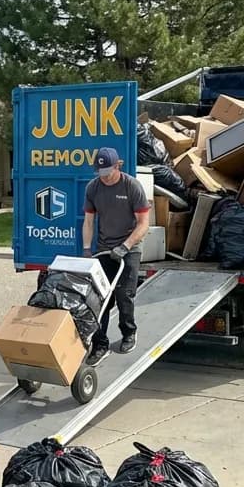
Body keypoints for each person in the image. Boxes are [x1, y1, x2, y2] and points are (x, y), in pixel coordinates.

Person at [82, 147, 151, 359]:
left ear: (117, 166)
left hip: (129, 248)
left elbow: (144, 224)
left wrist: (126, 246)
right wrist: (86, 249)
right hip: (104, 249)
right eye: (100, 172)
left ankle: (129, 332)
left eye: (107, 172)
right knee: (100, 297)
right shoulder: (93, 188)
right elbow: (89, 221)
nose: (104, 177)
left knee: (124, 295)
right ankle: (100, 344)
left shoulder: (132, 186)